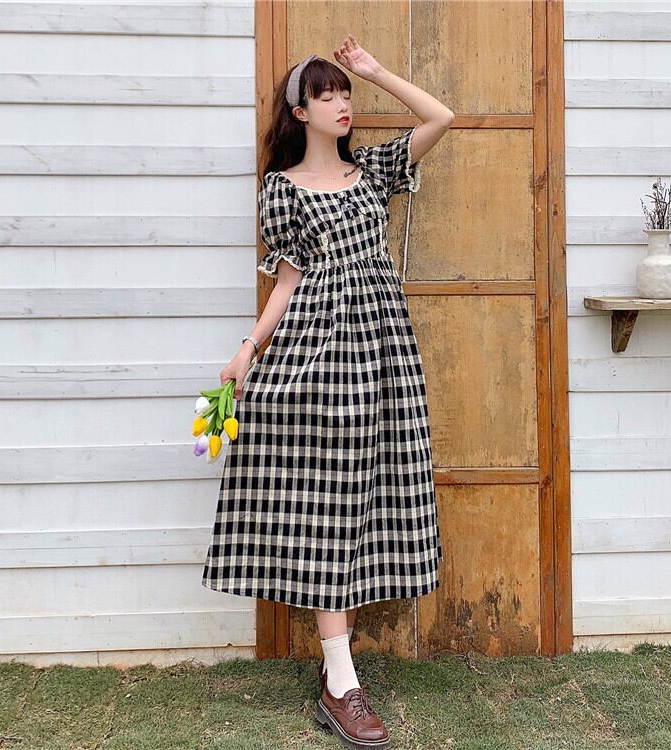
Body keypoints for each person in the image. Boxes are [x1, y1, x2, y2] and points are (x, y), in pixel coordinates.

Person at [202, 35, 454, 749]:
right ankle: (341, 680)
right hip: (315, 353)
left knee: (363, 497)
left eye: (346, 92)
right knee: (324, 502)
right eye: (327, 94)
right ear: (299, 111)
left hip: (380, 351)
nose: (342, 103)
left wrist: (377, 70)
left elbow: (441, 118)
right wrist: (248, 350)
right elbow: (288, 281)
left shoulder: (373, 171)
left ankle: (337, 674)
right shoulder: (281, 190)